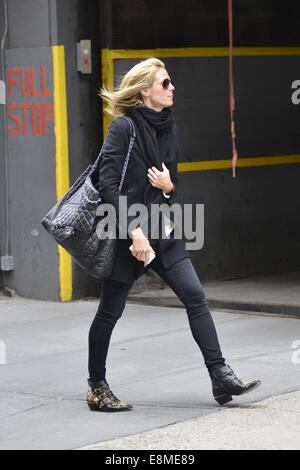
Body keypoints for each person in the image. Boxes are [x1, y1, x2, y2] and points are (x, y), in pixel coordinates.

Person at [87, 58, 261, 412]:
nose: (172, 88)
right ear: (145, 91)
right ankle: (96, 385)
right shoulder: (124, 128)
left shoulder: (169, 128)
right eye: (165, 83)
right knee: (110, 311)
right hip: (126, 233)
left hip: (162, 230)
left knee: (195, 295)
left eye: (170, 83)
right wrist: (134, 232)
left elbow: (172, 182)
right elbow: (107, 185)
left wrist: (167, 188)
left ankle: (220, 374)